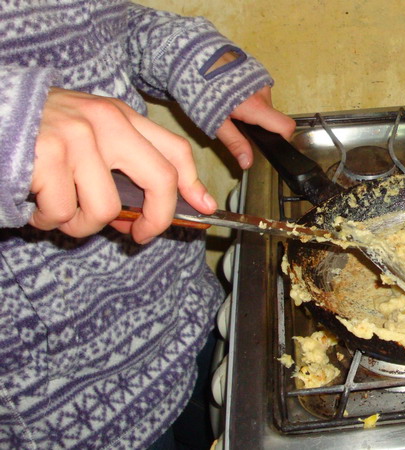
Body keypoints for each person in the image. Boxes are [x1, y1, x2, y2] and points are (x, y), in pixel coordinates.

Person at [0, 1, 295, 448]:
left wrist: (203, 65)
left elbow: (103, 22)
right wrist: (11, 123)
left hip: (184, 309)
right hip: (66, 405)